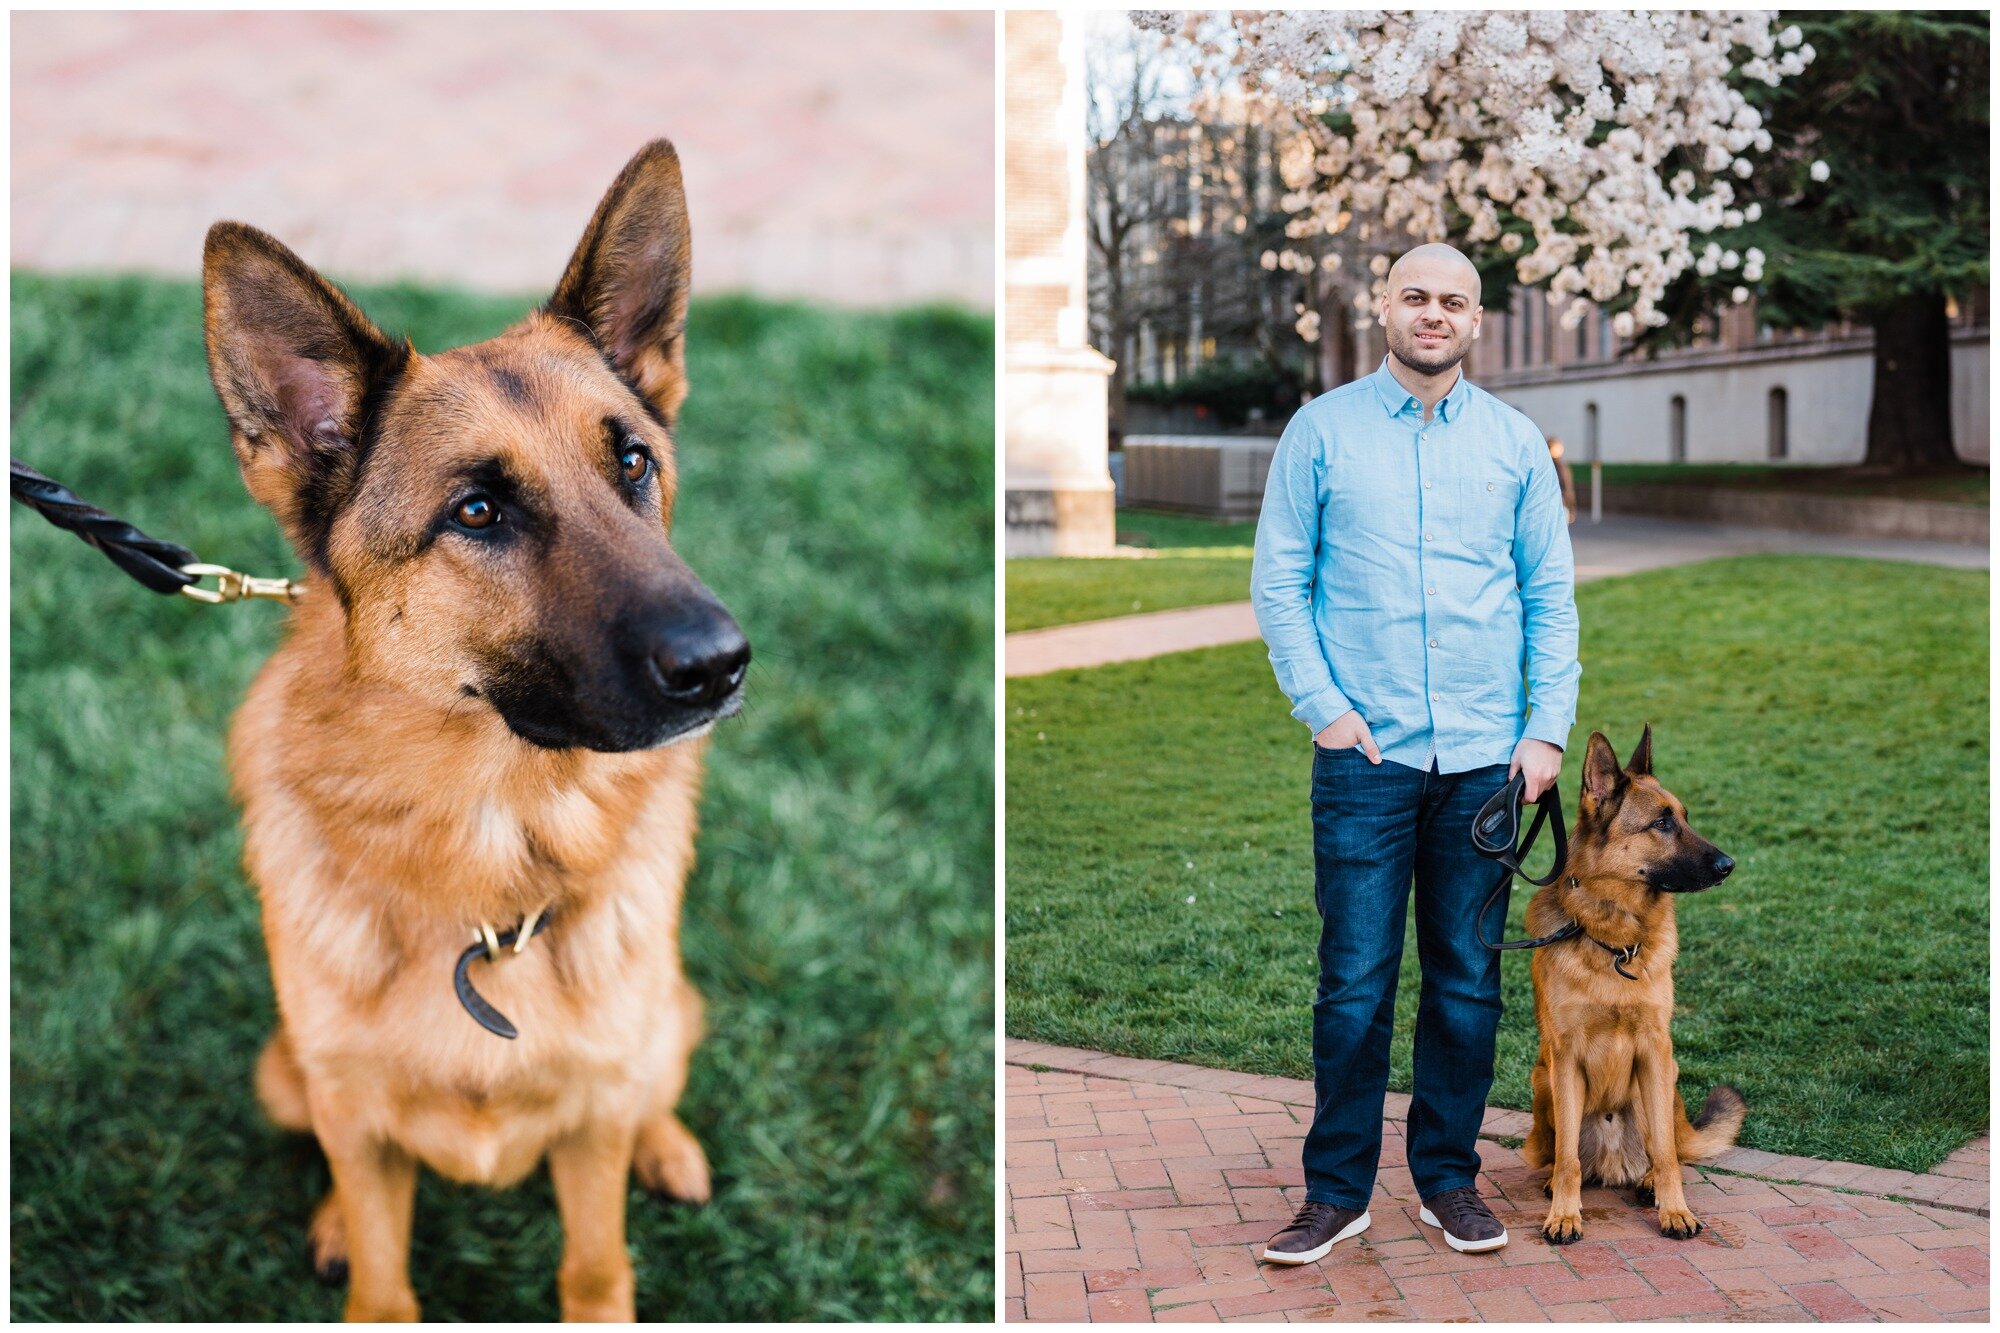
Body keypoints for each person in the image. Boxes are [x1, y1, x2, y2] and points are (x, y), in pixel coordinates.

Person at [1249, 243, 1580, 1261]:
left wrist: (1543, 729)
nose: (1433, 314)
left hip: (1486, 761)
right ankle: (1334, 1190)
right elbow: (1277, 582)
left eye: (1452, 301)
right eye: (1415, 297)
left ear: (1474, 320)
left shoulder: (1516, 443)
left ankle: (1446, 1177)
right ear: (1381, 308)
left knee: (1467, 983)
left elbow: (1546, 597)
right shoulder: (1320, 432)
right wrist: (1323, 710)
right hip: (1366, 758)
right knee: (1351, 980)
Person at [1547, 435, 1578, 523]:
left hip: (1553, 505)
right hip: (1560, 505)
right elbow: (1568, 488)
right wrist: (1572, 508)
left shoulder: (1545, 465)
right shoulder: (1560, 466)